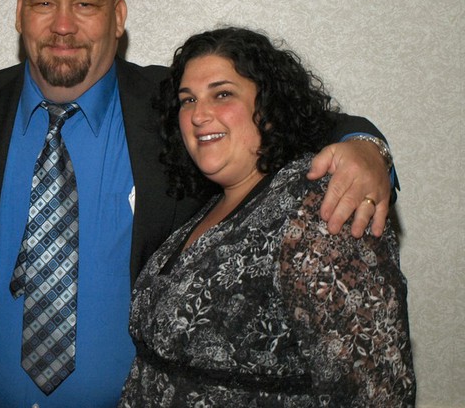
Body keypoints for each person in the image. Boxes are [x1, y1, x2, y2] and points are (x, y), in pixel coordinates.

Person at [0, 0, 395, 407]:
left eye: (85, 4)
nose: (62, 25)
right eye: (44, 3)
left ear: (118, 18)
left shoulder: (175, 105)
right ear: (19, 13)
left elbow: (297, 116)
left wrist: (367, 148)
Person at [119, 27, 414, 406]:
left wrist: (370, 148)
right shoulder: (205, 208)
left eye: (222, 94)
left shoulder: (320, 207)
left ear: (271, 107)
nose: (198, 114)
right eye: (188, 100)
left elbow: (376, 389)